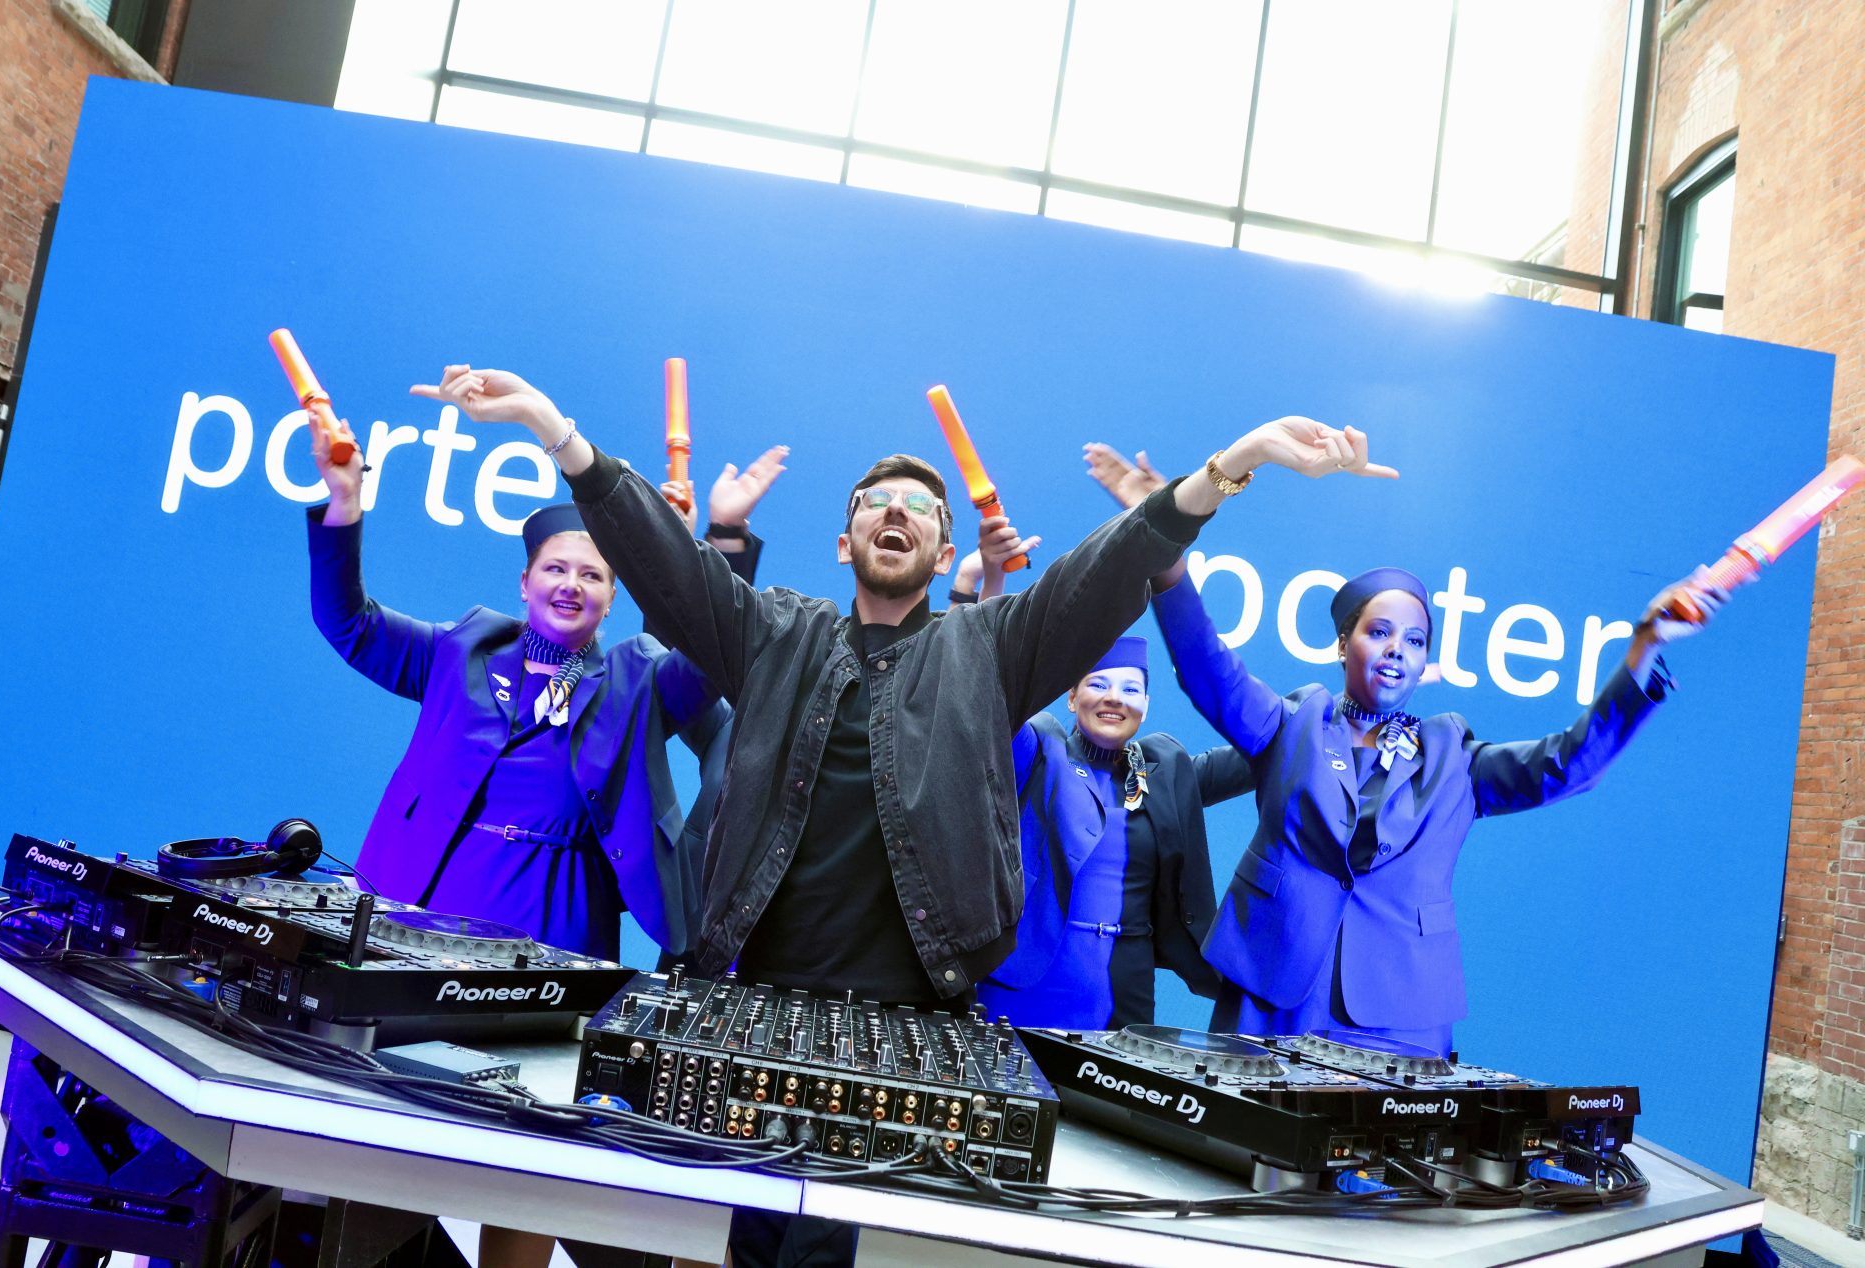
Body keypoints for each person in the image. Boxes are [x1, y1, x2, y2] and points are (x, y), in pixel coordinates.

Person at [409, 364, 1391, 1265]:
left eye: (920, 506)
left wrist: (1239, 460)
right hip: (750, 990)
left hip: (917, 1013)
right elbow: (665, 564)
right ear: (846, 540)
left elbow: (1110, 567)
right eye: (875, 501)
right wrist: (553, 428)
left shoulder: (991, 648)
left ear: (943, 546)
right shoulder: (773, 630)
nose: (897, 512)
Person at [1083, 443, 1726, 1055]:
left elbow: (1570, 764)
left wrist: (1645, 647)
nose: (1397, 648)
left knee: (1380, 1167)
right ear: (1344, 645)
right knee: (1262, 1161)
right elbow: (1208, 670)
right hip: (1275, 993)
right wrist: (1163, 543)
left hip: (1400, 1007)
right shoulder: (1293, 724)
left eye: (1414, 641)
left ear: (1425, 664)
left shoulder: (1455, 757)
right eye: (1379, 631)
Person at [304, 409, 785, 962]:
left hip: (556, 922)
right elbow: (349, 623)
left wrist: (723, 538)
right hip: (417, 903)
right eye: (556, 569)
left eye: (592, 576)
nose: (571, 586)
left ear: (610, 604)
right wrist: (344, 503)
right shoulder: (456, 650)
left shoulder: (637, 683)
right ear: (525, 583)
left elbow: (709, 656)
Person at [948, 545, 1250, 1031]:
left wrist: (1363, 700)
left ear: (1146, 705)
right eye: (1098, 684)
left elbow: (1273, 746)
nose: (1114, 699)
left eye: (1131, 689)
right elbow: (981, 692)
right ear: (1071, 696)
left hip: (1123, 997)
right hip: (1027, 984)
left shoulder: (1166, 770)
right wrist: (976, 590)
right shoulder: (1040, 751)